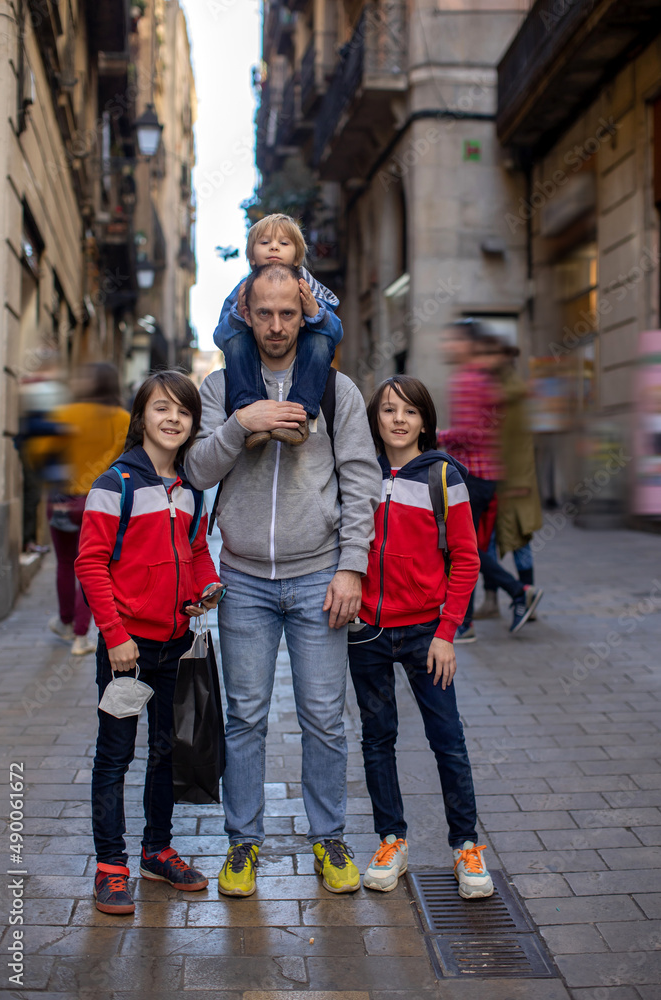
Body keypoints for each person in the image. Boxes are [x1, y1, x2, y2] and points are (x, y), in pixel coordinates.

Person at [185, 262, 380, 896]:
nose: (275, 326)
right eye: (263, 314)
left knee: (325, 716)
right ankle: (243, 845)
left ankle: (329, 837)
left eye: (287, 314)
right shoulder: (220, 386)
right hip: (242, 578)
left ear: (306, 313)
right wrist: (243, 426)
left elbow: (359, 479)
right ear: (246, 313)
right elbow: (197, 469)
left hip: (319, 572)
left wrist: (352, 565)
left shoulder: (335, 389)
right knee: (245, 716)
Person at [75, 371, 224, 916]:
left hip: (175, 644)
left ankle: (156, 850)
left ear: (192, 424)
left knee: (167, 753)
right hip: (127, 649)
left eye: (183, 412)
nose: (173, 419)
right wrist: (115, 635)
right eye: (162, 408)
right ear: (142, 417)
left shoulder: (190, 491)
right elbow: (90, 564)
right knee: (114, 757)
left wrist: (207, 587)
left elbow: (197, 550)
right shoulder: (113, 484)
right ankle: (110, 866)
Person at [348, 375, 493, 899]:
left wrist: (448, 632)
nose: (399, 419)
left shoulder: (443, 476)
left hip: (425, 632)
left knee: (447, 741)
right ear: (375, 419)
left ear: (425, 421)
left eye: (410, 411)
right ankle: (392, 840)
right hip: (366, 631)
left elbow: (466, 558)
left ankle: (466, 846)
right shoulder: (357, 472)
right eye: (388, 410)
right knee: (377, 738)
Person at [437, 322, 542, 640]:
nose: (447, 345)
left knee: (463, 549)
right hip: (487, 476)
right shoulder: (483, 380)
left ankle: (517, 591)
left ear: (467, 346)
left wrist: (437, 436)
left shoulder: (468, 380)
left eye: (452, 340)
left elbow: (474, 432)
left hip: (474, 476)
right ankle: (467, 621)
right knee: (467, 548)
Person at [213, 213, 343, 447]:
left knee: (320, 341)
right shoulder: (242, 290)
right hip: (255, 357)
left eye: (284, 243)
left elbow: (336, 334)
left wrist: (314, 312)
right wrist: (238, 315)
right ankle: (249, 407)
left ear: (297, 258)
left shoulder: (309, 286)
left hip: (301, 359)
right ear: (252, 257)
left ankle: (298, 416)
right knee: (236, 341)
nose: (274, 247)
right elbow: (220, 338)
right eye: (264, 243)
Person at [27, 364, 130, 655]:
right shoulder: (122, 418)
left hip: (61, 499)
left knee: (64, 563)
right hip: (97, 501)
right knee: (94, 566)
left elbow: (39, 452)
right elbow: (120, 457)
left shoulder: (64, 414)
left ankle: (66, 621)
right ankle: (81, 636)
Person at [476, 345, 543, 619]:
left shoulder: (511, 396)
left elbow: (521, 445)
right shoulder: (497, 392)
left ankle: (526, 597)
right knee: (489, 543)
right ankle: (494, 601)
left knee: (518, 543)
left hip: (513, 484)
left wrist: (518, 482)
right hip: (496, 482)